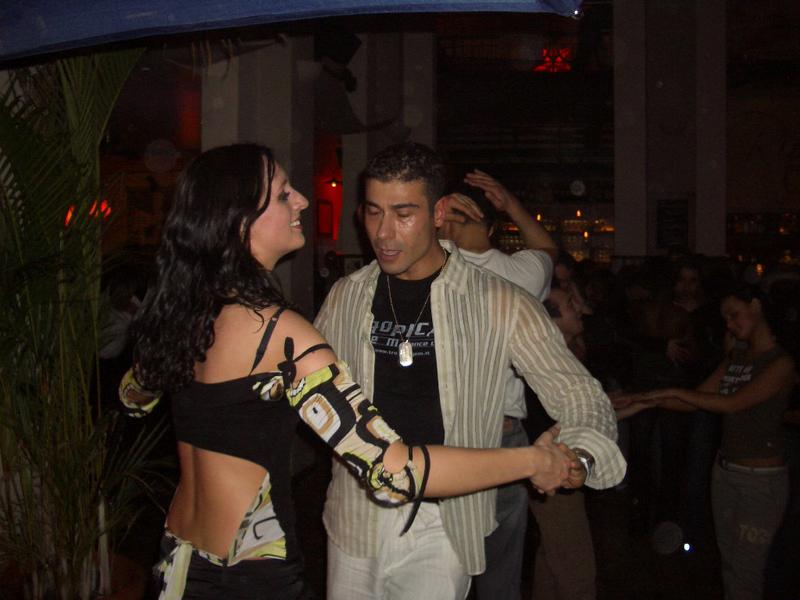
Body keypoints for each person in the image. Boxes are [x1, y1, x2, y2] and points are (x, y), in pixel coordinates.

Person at [120, 144, 578, 600]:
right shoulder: (281, 335)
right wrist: (533, 461)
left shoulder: (186, 315)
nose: (302, 200)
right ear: (241, 221)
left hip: (176, 561)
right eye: (282, 195)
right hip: (247, 572)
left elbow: (133, 398)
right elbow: (393, 472)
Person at [315, 142, 625, 600]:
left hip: (445, 522)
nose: (383, 232)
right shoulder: (347, 296)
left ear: (439, 212)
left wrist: (579, 454)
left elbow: (579, 393)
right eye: (374, 212)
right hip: (355, 513)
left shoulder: (498, 300)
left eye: (403, 214)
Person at [616, 284, 797, 600]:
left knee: (747, 572)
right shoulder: (737, 357)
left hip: (760, 482)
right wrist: (641, 400)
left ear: (756, 306)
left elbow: (733, 403)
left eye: (734, 315)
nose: (730, 324)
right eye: (726, 318)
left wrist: (671, 391)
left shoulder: (780, 363)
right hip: (725, 472)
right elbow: (696, 399)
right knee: (730, 565)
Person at [438, 171, 556, 600]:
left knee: (442, 563)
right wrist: (511, 204)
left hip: (449, 433)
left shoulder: (430, 265)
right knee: (498, 566)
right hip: (498, 434)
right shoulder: (520, 273)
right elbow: (547, 250)